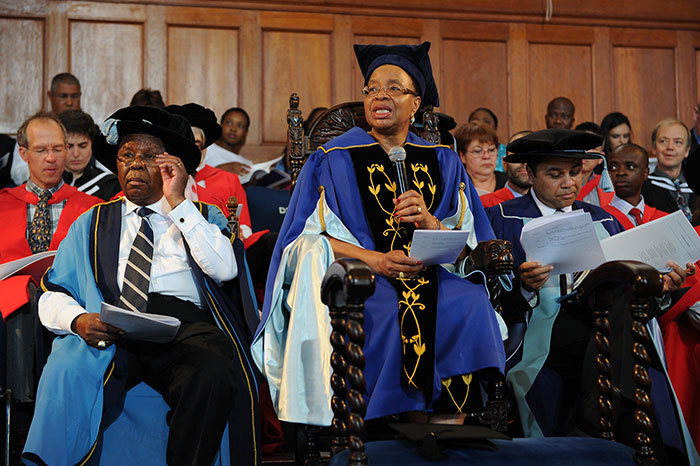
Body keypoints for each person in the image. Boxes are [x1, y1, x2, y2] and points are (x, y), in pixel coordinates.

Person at [252, 41, 506, 426]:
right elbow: (303, 241)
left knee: (468, 300)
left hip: (430, 272)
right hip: (362, 276)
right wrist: (376, 261)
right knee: (386, 309)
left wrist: (431, 223)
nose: (379, 96)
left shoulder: (443, 159)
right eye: (371, 88)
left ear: (415, 103)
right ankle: (382, 427)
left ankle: (447, 431)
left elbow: (468, 243)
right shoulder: (332, 159)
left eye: (393, 88)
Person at [22, 106, 260, 466]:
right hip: (115, 325)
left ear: (173, 167)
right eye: (126, 156)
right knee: (68, 367)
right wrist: (77, 321)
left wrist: (179, 203)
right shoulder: (92, 222)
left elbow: (225, 270)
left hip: (184, 328)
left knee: (212, 373)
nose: (135, 164)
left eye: (149, 156)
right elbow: (52, 292)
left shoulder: (202, 216)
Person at [486, 128, 696, 462]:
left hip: (603, 328)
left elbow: (633, 295)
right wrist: (525, 287)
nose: (568, 183)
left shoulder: (604, 219)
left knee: (618, 325)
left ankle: (602, 434)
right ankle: (614, 438)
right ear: (530, 174)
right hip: (534, 334)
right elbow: (483, 295)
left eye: (575, 173)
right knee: (616, 348)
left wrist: (661, 288)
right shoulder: (501, 219)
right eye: (555, 175)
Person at [58, 109, 121, 200]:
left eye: (82, 146)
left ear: (92, 144)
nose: (76, 154)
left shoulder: (111, 186)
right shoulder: (48, 185)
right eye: (69, 146)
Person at [603, 143, 668, 229]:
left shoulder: (663, 219)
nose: (620, 172)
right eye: (614, 167)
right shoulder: (600, 219)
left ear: (646, 173)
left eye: (630, 166)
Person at [642, 118, 694, 220]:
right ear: (654, 148)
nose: (670, 147)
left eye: (678, 142)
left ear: (687, 150)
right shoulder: (642, 188)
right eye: (663, 141)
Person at [479, 130, 532, 208]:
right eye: (517, 155)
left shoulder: (553, 205)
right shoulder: (484, 205)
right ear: (505, 164)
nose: (524, 162)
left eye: (531, 156)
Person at [455, 120, 507, 195]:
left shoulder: (509, 183)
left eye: (491, 150)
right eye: (478, 151)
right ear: (462, 156)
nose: (486, 156)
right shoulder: (456, 186)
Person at [574, 121, 613, 206]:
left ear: (600, 158)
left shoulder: (607, 186)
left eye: (593, 148)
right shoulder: (562, 183)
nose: (586, 152)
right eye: (581, 145)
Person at [468, 107, 507, 172]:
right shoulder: (461, 153)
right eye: (475, 122)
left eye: (486, 122)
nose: (481, 125)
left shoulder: (506, 152)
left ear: (495, 127)